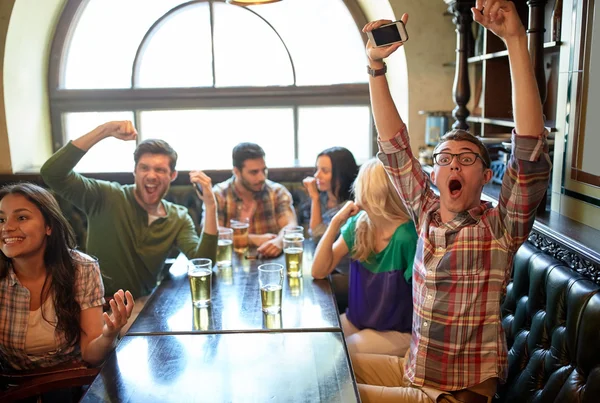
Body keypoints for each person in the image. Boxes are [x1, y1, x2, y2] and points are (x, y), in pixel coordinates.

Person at [354, 2, 552, 402]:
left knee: (339, 394)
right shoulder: (426, 210)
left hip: (460, 394)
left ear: (486, 175)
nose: (454, 165)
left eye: (466, 159)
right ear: (435, 174)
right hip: (417, 372)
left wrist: (514, 39)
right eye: (444, 160)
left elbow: (529, 149)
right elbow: (394, 147)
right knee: (334, 359)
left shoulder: (500, 227)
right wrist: (376, 68)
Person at [40, 121, 218, 305]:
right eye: (144, 168)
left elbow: (203, 262)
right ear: (134, 171)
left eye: (160, 170)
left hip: (140, 307)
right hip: (94, 304)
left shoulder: (178, 217)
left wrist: (211, 204)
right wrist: (105, 130)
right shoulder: (106, 196)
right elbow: (52, 174)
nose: (151, 175)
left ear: (172, 176)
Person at [0, 183, 134, 372]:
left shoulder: (82, 268)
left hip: (68, 382)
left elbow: (91, 355)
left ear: (48, 226)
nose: (7, 227)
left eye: (21, 217)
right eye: (1, 220)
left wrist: (108, 336)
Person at [311, 158, 417, 357]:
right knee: (317, 341)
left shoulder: (406, 236)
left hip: (396, 332)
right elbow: (318, 271)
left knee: (340, 354)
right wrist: (335, 222)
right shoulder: (361, 224)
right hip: (358, 321)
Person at [211, 142, 297, 257]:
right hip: (230, 261)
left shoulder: (277, 192)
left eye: (264, 170)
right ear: (236, 172)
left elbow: (291, 226)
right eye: (254, 172)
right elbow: (213, 232)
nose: (262, 177)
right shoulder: (219, 194)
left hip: (271, 263)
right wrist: (253, 239)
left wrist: (279, 241)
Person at [302, 147, 359, 238]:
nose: (317, 175)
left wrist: (315, 198)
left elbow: (317, 235)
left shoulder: (352, 207)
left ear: (341, 175)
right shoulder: (323, 198)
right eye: (317, 169)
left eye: (324, 171)